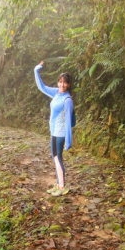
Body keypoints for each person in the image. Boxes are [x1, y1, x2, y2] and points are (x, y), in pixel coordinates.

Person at [34, 60, 74, 196]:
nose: (62, 85)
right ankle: (58, 184)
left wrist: (69, 141)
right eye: (60, 82)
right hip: (54, 132)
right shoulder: (56, 93)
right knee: (54, 157)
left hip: (61, 133)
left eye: (64, 82)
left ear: (68, 85)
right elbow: (42, 87)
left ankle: (62, 187)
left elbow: (68, 122)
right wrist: (36, 70)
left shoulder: (67, 100)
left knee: (58, 158)